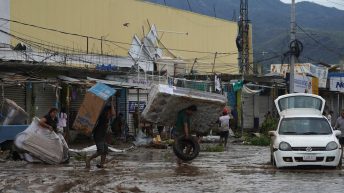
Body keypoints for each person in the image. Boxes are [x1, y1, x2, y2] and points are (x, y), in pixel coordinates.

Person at [86, 102, 115, 169]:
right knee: (101, 150)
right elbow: (113, 114)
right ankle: (88, 159)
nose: (111, 113)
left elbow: (113, 113)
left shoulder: (107, 117)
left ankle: (101, 164)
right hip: (98, 135)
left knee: (105, 150)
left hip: (103, 136)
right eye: (110, 111)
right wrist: (112, 103)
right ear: (108, 111)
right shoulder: (103, 116)